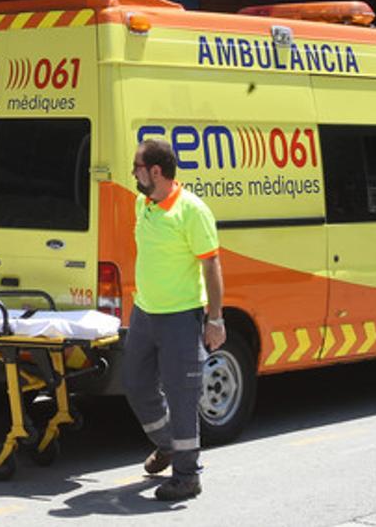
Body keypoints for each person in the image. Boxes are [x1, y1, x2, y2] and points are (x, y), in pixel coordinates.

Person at [124, 138, 225, 501]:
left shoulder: (192, 210)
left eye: (137, 166)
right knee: (135, 384)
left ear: (156, 171)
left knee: (182, 396)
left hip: (181, 318)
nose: (132, 172)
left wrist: (215, 320)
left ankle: (186, 475)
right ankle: (168, 444)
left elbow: (211, 265)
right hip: (145, 313)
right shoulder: (143, 204)